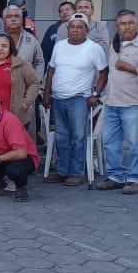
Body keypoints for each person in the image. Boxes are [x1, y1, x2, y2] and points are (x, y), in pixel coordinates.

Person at [96, 9, 138, 195]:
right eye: (122, 24)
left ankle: (134, 178)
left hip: (133, 104)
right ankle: (115, 176)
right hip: (112, 102)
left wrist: (131, 68)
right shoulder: (114, 46)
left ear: (137, 24)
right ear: (117, 27)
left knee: (134, 144)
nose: (126, 26)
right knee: (110, 143)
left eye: (130, 23)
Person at [43, 13, 108, 187]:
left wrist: (96, 94)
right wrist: (46, 94)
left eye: (80, 27)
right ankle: (62, 171)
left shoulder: (93, 48)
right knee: (62, 136)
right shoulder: (60, 45)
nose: (76, 30)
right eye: (73, 27)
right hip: (58, 99)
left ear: (86, 30)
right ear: (68, 29)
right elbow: (51, 71)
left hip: (79, 99)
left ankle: (77, 173)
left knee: (78, 137)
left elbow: (104, 72)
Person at [3, 4, 45, 80]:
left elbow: (39, 63)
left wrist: (37, 83)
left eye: (16, 16)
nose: (13, 19)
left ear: (22, 19)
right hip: (2, 86)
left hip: (26, 87)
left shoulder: (32, 40)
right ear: (4, 20)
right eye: (9, 16)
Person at [41, 0, 75, 67]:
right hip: (56, 66)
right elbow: (44, 50)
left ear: (75, 11)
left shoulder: (82, 27)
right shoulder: (52, 29)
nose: (64, 12)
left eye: (67, 9)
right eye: (61, 11)